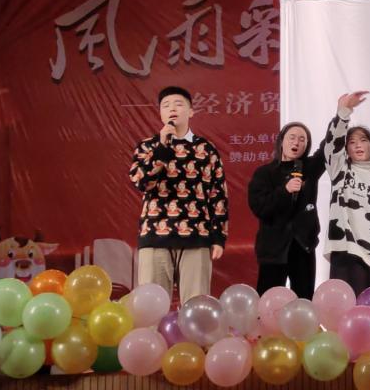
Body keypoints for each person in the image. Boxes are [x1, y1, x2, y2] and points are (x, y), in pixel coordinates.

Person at [129, 86, 228, 303]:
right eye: (166, 106)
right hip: (155, 234)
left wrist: (218, 237)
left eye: (178, 104)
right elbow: (141, 182)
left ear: (191, 111)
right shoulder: (147, 146)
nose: (172, 109)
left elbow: (217, 194)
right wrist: (162, 148)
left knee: (196, 306)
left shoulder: (206, 149)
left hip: (197, 236)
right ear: (160, 114)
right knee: (152, 306)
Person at [320, 91, 370, 295]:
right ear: (346, 148)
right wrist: (343, 112)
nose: (358, 145)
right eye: (352, 142)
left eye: (363, 140)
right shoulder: (340, 169)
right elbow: (331, 146)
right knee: (342, 307)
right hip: (344, 248)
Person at [247, 120, 323, 299]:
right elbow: (259, 207)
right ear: (281, 141)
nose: (296, 142)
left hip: (303, 247)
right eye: (292, 137)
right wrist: (285, 190)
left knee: (304, 300)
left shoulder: (309, 169)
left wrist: (343, 113)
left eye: (302, 139)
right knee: (268, 301)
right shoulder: (264, 173)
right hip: (273, 250)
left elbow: (327, 148)